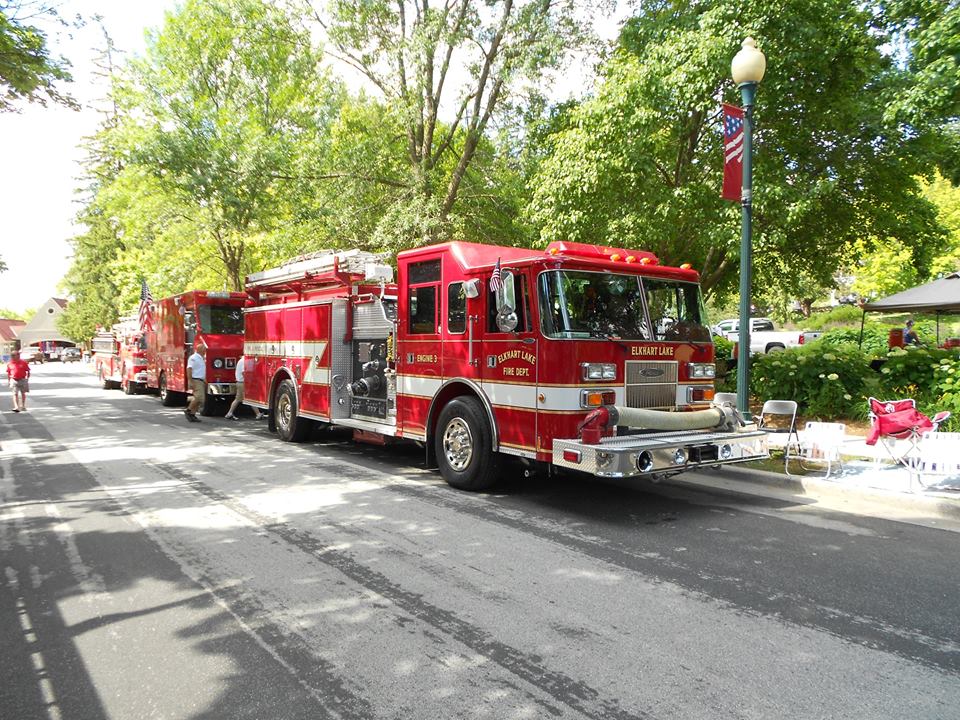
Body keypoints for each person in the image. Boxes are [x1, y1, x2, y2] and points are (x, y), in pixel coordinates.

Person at [224, 354, 263, 421]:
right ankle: (229, 413)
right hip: (242, 383)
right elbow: (244, 373)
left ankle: (258, 414)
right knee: (242, 399)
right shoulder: (243, 361)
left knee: (247, 399)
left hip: (242, 383)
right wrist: (250, 381)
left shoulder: (245, 361)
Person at [184, 341, 207, 422]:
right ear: (200, 350)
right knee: (200, 398)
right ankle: (189, 410)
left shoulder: (201, 358)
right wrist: (190, 381)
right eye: (204, 350)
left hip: (201, 381)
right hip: (196, 380)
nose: (205, 351)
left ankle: (192, 414)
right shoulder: (193, 358)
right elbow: (189, 369)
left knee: (200, 398)